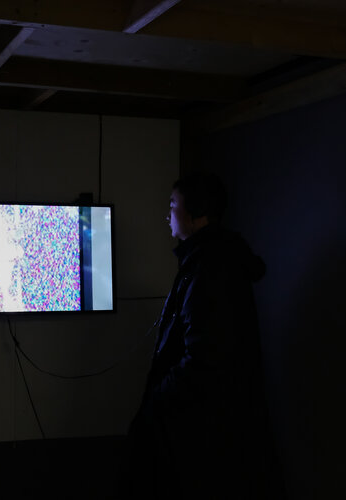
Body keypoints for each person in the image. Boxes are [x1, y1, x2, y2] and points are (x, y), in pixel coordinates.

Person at [120, 172, 279, 499]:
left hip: (200, 431)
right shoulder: (209, 260)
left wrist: (159, 399)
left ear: (196, 213)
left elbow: (204, 357)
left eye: (172, 205)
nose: (168, 214)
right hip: (208, 426)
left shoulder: (210, 268)